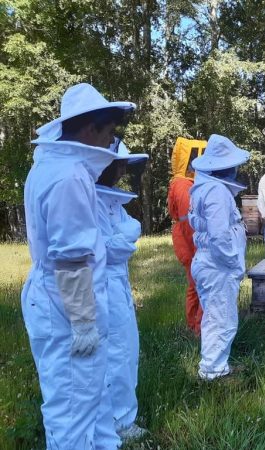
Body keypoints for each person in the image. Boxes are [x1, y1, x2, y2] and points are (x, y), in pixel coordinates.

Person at [21, 83, 134, 449]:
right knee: (72, 407)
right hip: (65, 308)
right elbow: (71, 257)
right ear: (89, 129)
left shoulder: (51, 167)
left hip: (59, 299)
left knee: (92, 395)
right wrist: (84, 322)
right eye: (109, 132)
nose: (110, 142)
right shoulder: (68, 176)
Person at [96, 141, 148, 442]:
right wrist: (124, 238)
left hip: (116, 282)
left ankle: (121, 417)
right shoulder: (89, 200)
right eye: (119, 164)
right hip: (101, 284)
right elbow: (108, 250)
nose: (123, 171)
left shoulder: (113, 201)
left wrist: (123, 237)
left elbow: (132, 229)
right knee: (116, 352)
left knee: (126, 348)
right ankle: (118, 423)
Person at [188, 134, 250, 381]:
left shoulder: (204, 189)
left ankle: (215, 366)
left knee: (215, 316)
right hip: (217, 265)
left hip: (208, 262)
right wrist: (232, 262)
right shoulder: (216, 191)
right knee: (221, 320)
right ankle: (213, 373)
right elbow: (219, 235)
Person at [167, 137, 207, 336]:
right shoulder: (183, 185)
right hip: (190, 242)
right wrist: (201, 247)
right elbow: (188, 221)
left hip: (187, 241)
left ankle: (193, 325)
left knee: (195, 284)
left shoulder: (181, 183)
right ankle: (199, 329)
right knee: (201, 284)